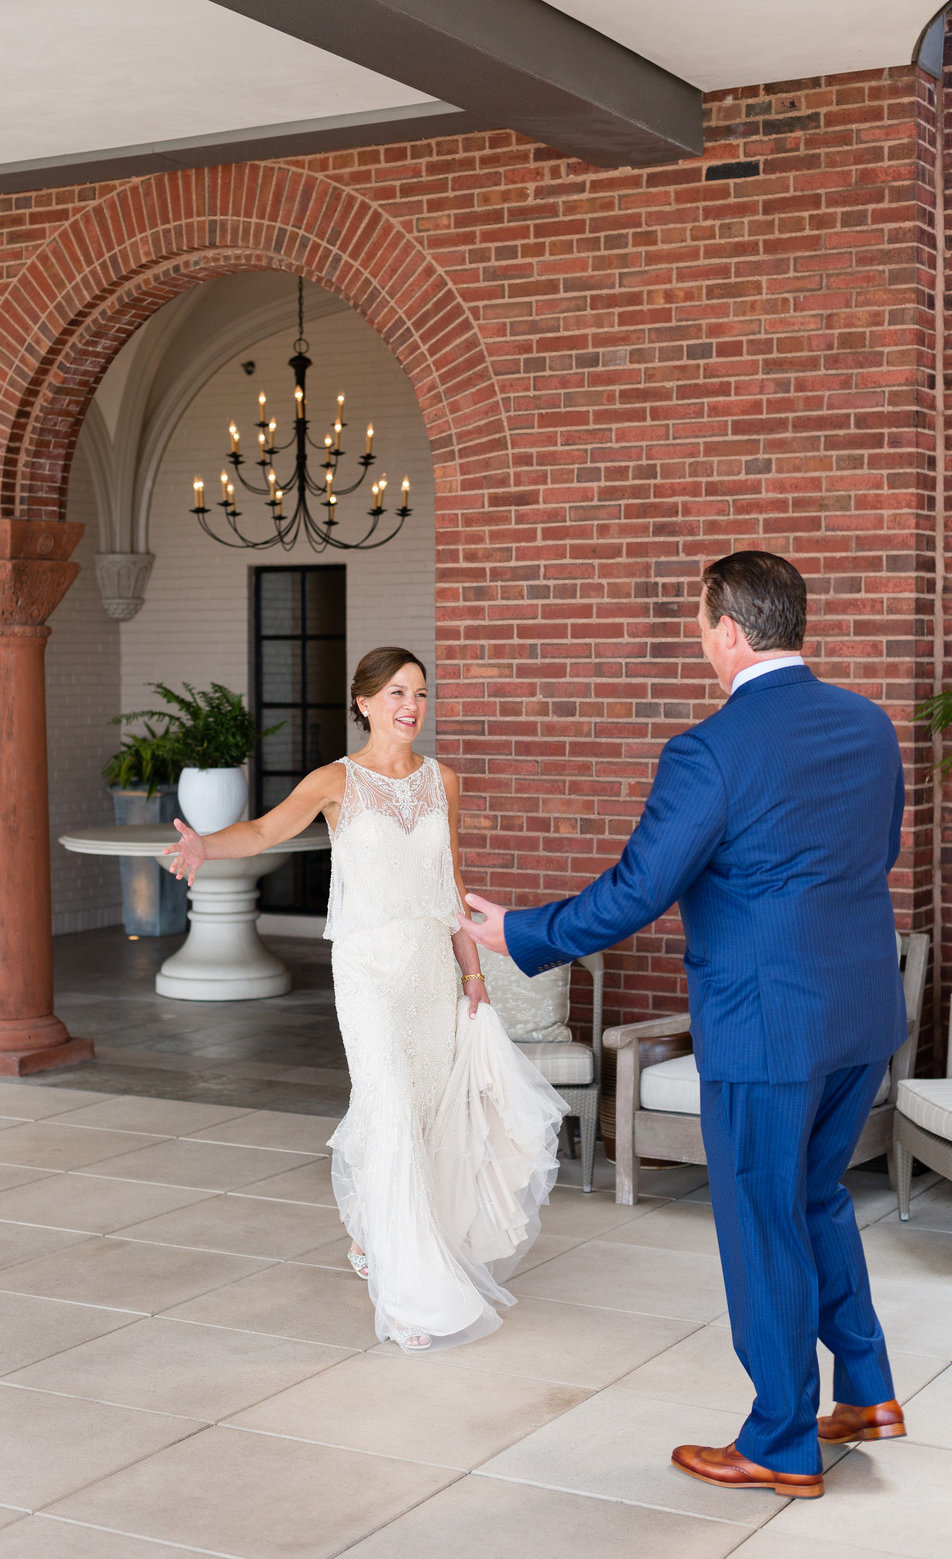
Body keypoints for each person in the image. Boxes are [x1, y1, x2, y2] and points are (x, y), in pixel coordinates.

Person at [461, 551, 908, 1498]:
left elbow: (637, 892)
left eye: (702, 626)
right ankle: (866, 1392)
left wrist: (515, 932)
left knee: (760, 1220)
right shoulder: (870, 727)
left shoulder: (710, 749)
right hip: (862, 1014)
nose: (701, 642)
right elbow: (874, 852)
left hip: (765, 1027)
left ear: (733, 633)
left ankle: (781, 1440)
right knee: (816, 1196)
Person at [166, 645, 565, 1353]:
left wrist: (474, 978)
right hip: (369, 973)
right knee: (389, 1107)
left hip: (431, 973)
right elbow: (263, 831)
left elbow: (453, 888)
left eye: (419, 694)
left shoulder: (444, 780)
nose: (410, 707)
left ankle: (372, 1235)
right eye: (396, 694)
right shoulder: (334, 782)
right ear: (364, 702)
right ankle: (414, 1294)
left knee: (424, 1108)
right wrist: (206, 847)